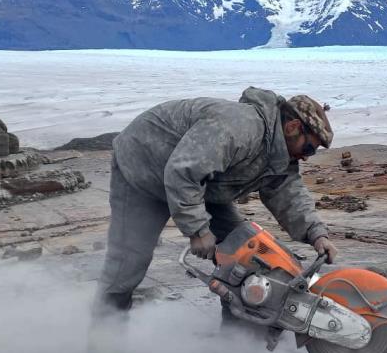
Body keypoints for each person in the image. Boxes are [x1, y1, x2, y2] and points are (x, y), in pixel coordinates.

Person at [94, 86, 338, 316]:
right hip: (143, 170)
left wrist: (316, 233)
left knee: (247, 254)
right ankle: (105, 342)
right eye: (308, 149)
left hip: (202, 184)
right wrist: (198, 230)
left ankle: (236, 344)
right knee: (129, 260)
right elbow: (182, 171)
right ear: (293, 126)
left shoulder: (279, 151)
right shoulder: (240, 127)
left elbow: (287, 191)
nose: (307, 158)